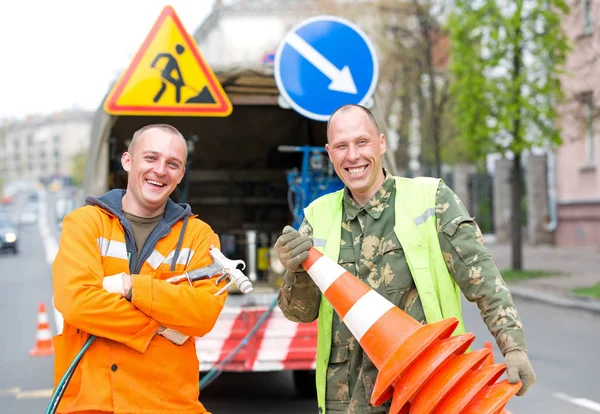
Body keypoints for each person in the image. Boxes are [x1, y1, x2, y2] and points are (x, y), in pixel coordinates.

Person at [275, 104, 535, 414]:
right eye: (342, 146)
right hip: (346, 401)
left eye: (362, 142)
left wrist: (514, 347)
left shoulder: (431, 200)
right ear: (330, 154)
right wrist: (296, 271)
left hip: (426, 393)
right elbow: (300, 314)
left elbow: (484, 282)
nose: (353, 156)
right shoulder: (317, 217)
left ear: (381, 143)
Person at [52, 124, 226, 413]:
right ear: (127, 161)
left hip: (168, 405)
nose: (160, 170)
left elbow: (203, 313)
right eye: (150, 158)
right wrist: (158, 326)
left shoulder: (199, 236)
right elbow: (77, 303)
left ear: (181, 174)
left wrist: (129, 286)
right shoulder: (84, 224)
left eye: (172, 164)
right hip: (92, 403)